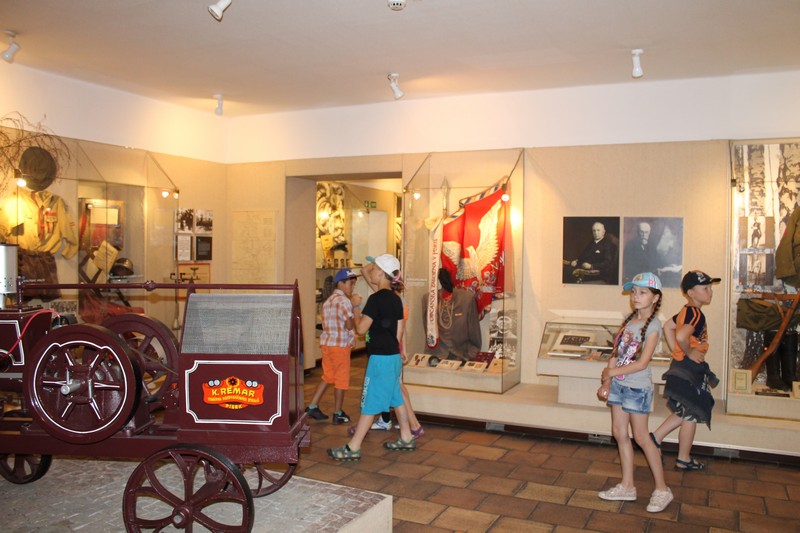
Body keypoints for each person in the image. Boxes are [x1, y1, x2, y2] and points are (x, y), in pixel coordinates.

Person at [596, 272, 672, 513]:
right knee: (619, 433)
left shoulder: (654, 326)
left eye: (642, 292)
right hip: (619, 385)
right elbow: (616, 353)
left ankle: (662, 489)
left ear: (655, 297)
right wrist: (607, 381)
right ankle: (627, 485)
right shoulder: (628, 322)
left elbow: (642, 363)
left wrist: (612, 373)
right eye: (634, 292)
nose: (636, 296)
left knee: (641, 437)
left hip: (637, 388)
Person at [327, 254, 415, 461]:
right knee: (396, 398)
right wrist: (397, 352)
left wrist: (356, 307)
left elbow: (360, 329)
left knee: (370, 402)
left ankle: (353, 447)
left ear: (381, 273)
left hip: (380, 359)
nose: (372, 272)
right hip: (392, 356)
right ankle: (406, 437)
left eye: (375, 268)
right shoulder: (396, 298)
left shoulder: (376, 299)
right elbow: (399, 331)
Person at [650, 270, 720, 471]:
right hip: (688, 370)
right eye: (705, 288)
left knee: (691, 413)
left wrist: (678, 351)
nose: (710, 292)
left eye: (710, 287)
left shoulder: (686, 311)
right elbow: (681, 335)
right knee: (688, 411)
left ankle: (683, 457)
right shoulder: (696, 314)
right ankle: (655, 438)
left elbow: (668, 327)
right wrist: (687, 352)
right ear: (691, 292)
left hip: (684, 367)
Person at [304, 267, 359, 424]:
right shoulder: (344, 301)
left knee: (328, 376)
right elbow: (349, 325)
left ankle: (312, 406)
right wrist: (355, 308)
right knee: (341, 379)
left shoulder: (328, 301)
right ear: (341, 283)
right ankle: (338, 412)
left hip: (327, 344)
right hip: (340, 346)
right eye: (351, 284)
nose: (352, 287)